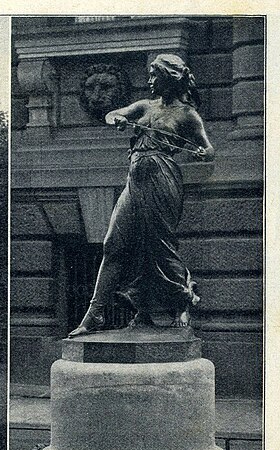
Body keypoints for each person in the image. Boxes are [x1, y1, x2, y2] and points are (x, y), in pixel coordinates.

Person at [69, 54, 214, 337]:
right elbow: (112, 114)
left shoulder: (187, 114)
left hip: (163, 178)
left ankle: (181, 304)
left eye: (154, 76)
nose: (149, 81)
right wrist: (120, 119)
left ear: (169, 79)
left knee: (160, 246)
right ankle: (94, 314)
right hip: (135, 178)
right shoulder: (144, 106)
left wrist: (201, 153)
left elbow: (207, 148)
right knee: (114, 243)